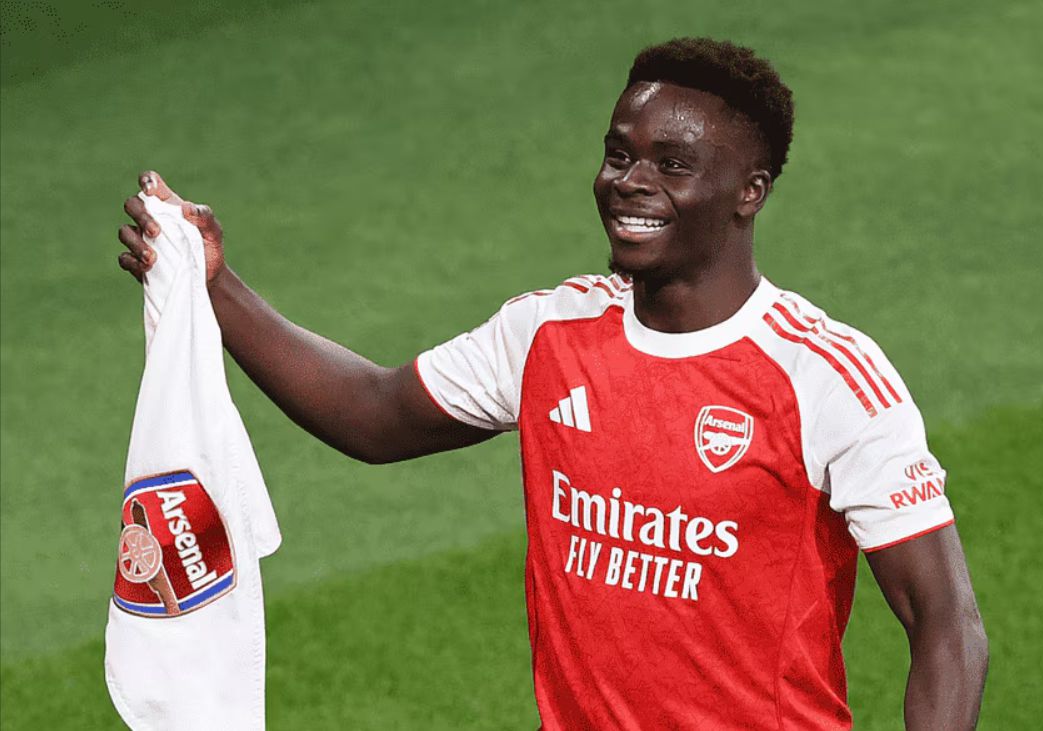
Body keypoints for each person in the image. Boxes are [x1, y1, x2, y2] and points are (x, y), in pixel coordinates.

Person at [117, 37, 988, 730]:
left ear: (749, 191)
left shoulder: (824, 375)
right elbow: (375, 413)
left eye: (672, 164)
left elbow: (947, 623)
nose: (630, 183)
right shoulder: (549, 332)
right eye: (618, 154)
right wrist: (217, 287)